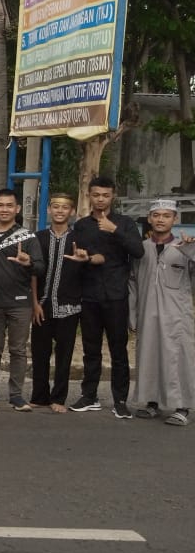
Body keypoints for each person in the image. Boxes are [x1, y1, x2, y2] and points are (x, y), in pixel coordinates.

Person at [68, 176, 144, 418]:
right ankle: (89, 395)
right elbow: (79, 259)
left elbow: (138, 251)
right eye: (96, 195)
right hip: (89, 296)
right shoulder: (81, 225)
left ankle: (120, 400)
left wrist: (116, 231)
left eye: (105, 195)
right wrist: (86, 258)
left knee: (118, 350)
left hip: (116, 295)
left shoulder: (125, 223)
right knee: (91, 349)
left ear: (113, 196)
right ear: (89, 196)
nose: (101, 199)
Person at [128, 199, 195, 426]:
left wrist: (190, 249)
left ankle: (183, 407)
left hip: (177, 315)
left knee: (179, 358)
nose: (161, 219)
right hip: (147, 313)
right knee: (149, 355)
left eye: (166, 216)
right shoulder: (141, 249)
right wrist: (132, 313)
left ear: (174, 220)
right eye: (156, 215)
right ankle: (151, 402)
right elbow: (133, 283)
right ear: (149, 218)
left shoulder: (185, 248)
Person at [0, 188, 44, 411]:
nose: (4, 209)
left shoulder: (28, 237)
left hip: (20, 303)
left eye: (9, 206)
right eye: (0, 205)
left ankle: (16, 395)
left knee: (19, 350)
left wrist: (28, 262)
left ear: (17, 209)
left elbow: (41, 268)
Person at [30, 193, 83, 413]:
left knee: (64, 354)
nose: (60, 211)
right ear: (49, 210)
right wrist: (34, 303)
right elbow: (33, 272)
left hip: (69, 306)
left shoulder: (79, 239)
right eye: (56, 206)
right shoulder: (38, 237)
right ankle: (39, 396)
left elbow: (88, 267)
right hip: (42, 304)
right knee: (39, 353)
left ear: (72, 212)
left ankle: (59, 398)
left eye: (65, 207)